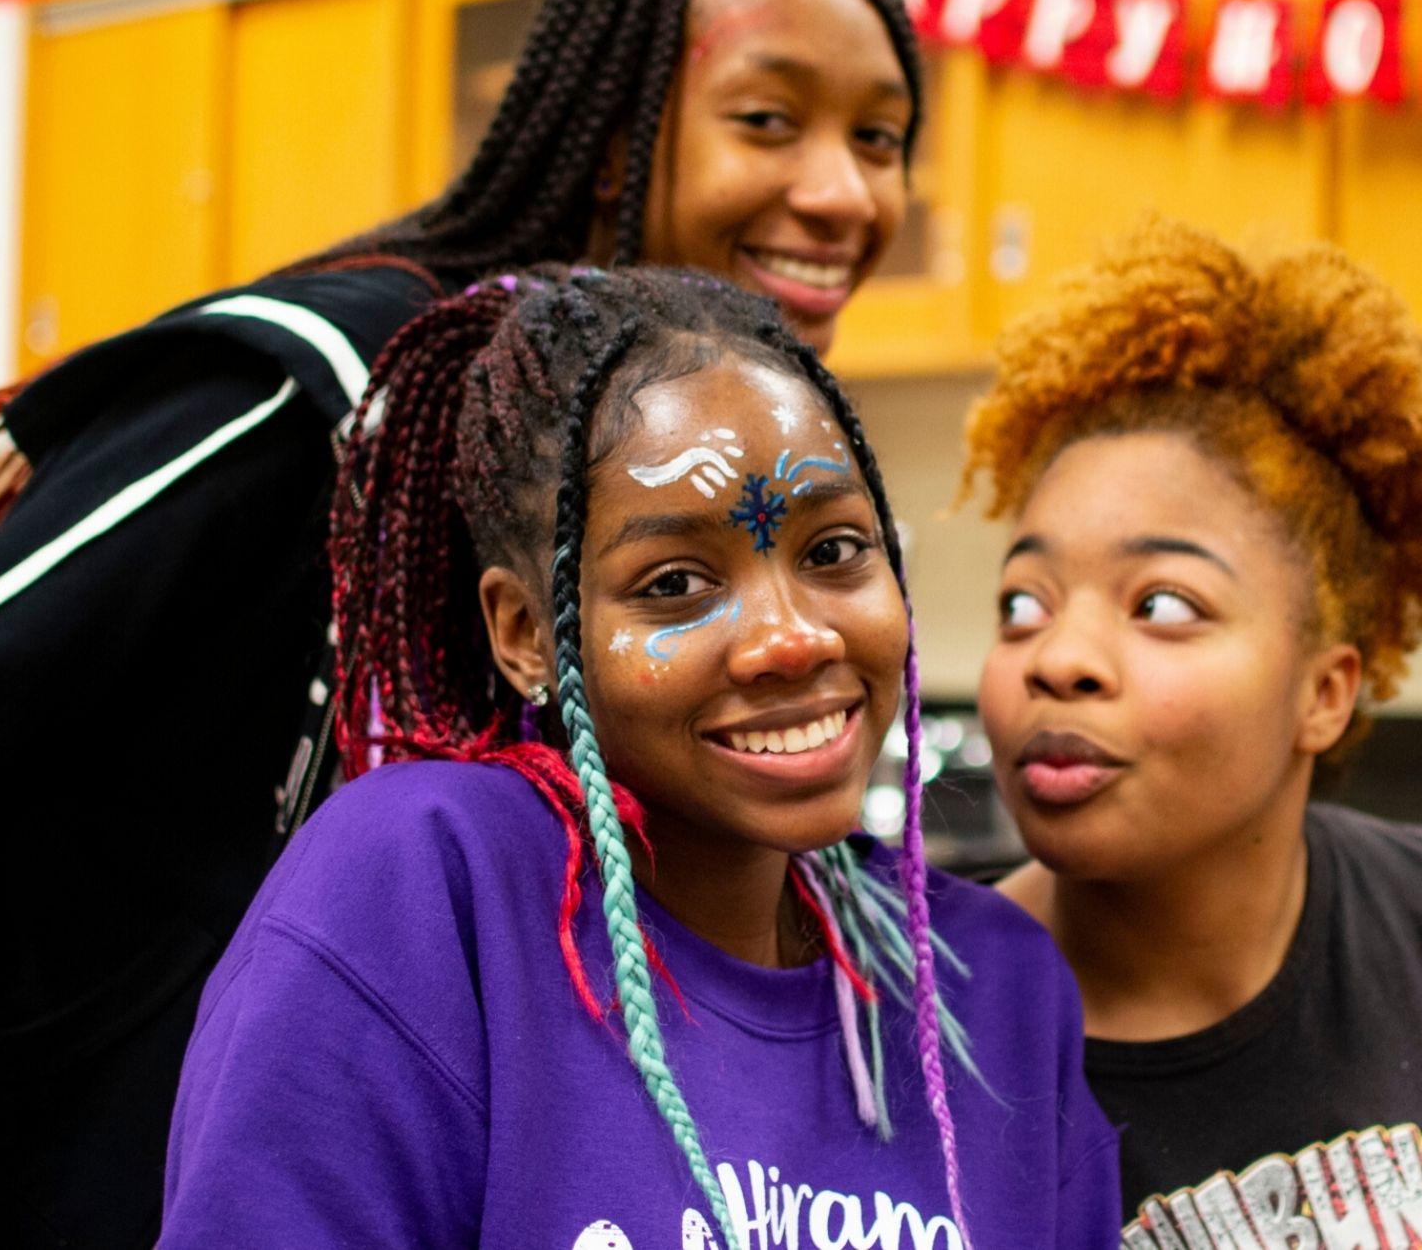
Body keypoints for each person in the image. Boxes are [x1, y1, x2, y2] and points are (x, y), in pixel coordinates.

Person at [0, 0, 923, 1250]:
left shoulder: (647, 492)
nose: (845, 193)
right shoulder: (332, 393)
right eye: (769, 120)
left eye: (881, 139)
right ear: (616, 134)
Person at [158, 265, 1119, 1247]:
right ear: (526, 631)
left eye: (833, 552)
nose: (791, 639)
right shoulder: (423, 890)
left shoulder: (993, 987)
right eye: (674, 583)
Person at [958, 216, 1422, 1249]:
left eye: (1159, 605)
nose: (1055, 658)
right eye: (1022, 603)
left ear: (1323, 694)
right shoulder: (913, 1030)